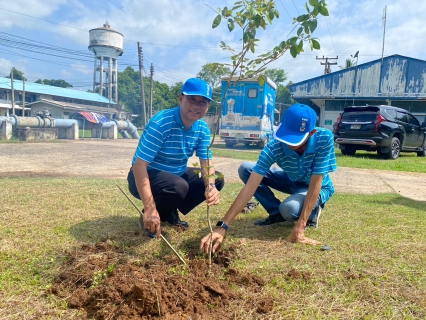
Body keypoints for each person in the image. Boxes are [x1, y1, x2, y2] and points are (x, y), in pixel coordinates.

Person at [200, 103, 337, 253]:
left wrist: (300, 226)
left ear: (311, 133)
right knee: (246, 168)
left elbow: (316, 182)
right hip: (291, 180)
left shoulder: (324, 139)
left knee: (289, 209)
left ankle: (311, 213)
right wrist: (222, 226)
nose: (289, 143)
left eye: (296, 139)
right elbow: (250, 188)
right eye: (287, 135)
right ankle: (275, 213)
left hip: (315, 186)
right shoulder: (275, 147)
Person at [128, 78, 224, 238]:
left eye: (202, 102)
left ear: (208, 106)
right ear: (181, 99)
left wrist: (211, 186)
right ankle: (150, 214)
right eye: (192, 99)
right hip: (143, 175)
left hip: (174, 176)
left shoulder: (202, 129)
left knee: (217, 178)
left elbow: (206, 162)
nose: (196, 106)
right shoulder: (161, 123)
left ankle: (168, 209)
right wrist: (150, 207)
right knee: (178, 186)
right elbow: (139, 166)